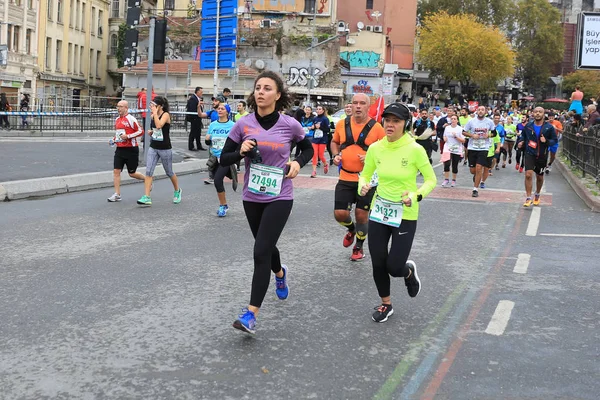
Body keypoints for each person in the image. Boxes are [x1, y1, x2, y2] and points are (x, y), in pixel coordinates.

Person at [219, 71, 314, 334]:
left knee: (260, 251)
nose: (261, 92)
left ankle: (251, 314)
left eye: (267, 88)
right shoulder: (243, 124)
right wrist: (240, 151)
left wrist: (297, 163)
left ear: (278, 95)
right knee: (266, 246)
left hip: (280, 196)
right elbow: (223, 159)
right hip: (252, 196)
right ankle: (280, 273)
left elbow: (308, 149)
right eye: (258, 88)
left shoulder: (290, 124)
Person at [358, 103, 436, 323]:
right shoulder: (376, 148)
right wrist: (362, 186)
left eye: (396, 121)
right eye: (387, 120)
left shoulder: (414, 149)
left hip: (405, 214)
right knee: (377, 261)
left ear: (405, 124)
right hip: (380, 211)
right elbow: (365, 175)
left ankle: (408, 272)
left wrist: (416, 196)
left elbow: (431, 179)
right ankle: (386, 304)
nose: (390, 125)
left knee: (393, 266)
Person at [331, 93, 386, 261]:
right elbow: (335, 142)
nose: (358, 106)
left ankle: (359, 246)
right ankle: (352, 229)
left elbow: (385, 151)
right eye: (355, 103)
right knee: (340, 214)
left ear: (368, 107)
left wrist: (371, 156)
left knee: (362, 215)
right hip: (345, 177)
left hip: (366, 181)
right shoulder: (342, 124)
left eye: (362, 103)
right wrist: (335, 155)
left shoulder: (377, 128)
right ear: (351, 105)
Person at [136, 96, 182, 206]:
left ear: (160, 106)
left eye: (154, 105)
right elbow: (156, 129)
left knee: (169, 171)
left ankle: (177, 190)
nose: (152, 107)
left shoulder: (165, 115)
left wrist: (155, 114)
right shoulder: (153, 115)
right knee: (148, 171)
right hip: (154, 146)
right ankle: (147, 197)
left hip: (165, 148)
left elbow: (159, 125)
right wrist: (151, 132)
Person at [516, 107, 557, 207]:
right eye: (536, 112)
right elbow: (523, 136)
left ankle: (537, 194)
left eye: (540, 112)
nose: (537, 114)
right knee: (528, 175)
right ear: (532, 114)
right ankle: (528, 197)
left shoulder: (549, 127)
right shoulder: (528, 125)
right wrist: (520, 142)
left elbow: (554, 140)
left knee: (539, 177)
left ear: (543, 114)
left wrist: (546, 141)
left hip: (542, 155)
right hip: (530, 153)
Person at [107, 100, 146, 202]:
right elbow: (118, 134)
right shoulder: (117, 119)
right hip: (120, 149)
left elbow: (141, 131)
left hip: (131, 149)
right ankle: (117, 194)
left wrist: (128, 136)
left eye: (120, 106)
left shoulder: (131, 119)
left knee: (132, 173)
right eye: (117, 106)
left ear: (126, 108)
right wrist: (113, 140)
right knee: (116, 171)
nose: (118, 108)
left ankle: (147, 179)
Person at [205, 102, 236, 216]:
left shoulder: (232, 125)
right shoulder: (213, 125)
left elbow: (237, 142)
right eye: (218, 108)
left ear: (227, 111)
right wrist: (207, 139)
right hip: (215, 156)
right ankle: (224, 204)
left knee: (218, 180)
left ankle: (223, 206)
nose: (219, 110)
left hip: (226, 157)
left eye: (222, 109)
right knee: (216, 181)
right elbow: (208, 141)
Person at [463, 106, 496, 197]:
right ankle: (476, 175)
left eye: (482, 110)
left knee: (479, 168)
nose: (480, 111)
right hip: (472, 147)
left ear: (485, 111)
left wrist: (488, 135)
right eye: (479, 110)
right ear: (477, 111)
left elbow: (494, 133)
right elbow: (464, 132)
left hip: (484, 148)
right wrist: (472, 135)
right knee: (472, 170)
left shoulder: (489, 122)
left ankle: (475, 189)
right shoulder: (471, 121)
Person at [441, 115, 465, 187]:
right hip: (448, 147)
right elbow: (444, 135)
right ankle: (446, 179)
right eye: (452, 119)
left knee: (455, 164)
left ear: (457, 120)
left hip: (457, 148)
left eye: (455, 119)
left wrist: (456, 137)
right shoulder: (447, 128)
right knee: (447, 163)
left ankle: (454, 180)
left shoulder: (460, 129)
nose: (453, 120)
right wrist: (444, 138)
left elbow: (463, 140)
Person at [310, 105, 330, 178]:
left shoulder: (325, 119)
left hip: (323, 139)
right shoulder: (315, 118)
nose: (318, 110)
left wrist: (320, 127)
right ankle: (314, 171)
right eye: (317, 109)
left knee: (320, 155)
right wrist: (312, 128)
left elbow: (328, 130)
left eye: (320, 109)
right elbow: (313, 127)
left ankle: (325, 164)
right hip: (315, 138)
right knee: (314, 155)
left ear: (323, 110)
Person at [186, 87, 207, 151]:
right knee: (193, 132)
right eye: (201, 92)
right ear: (197, 92)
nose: (201, 93)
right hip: (194, 118)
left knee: (198, 132)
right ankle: (191, 146)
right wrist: (195, 117)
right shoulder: (193, 99)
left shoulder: (198, 99)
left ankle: (199, 145)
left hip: (198, 118)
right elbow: (192, 109)